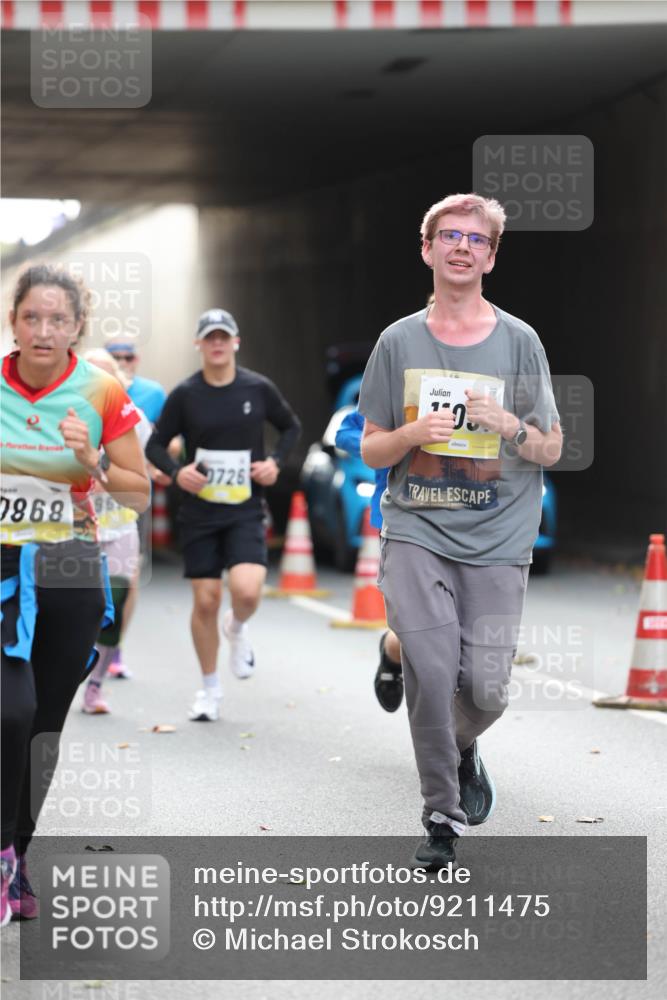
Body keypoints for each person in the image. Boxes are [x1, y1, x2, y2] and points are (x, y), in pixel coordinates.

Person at [358, 193, 562, 870]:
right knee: (433, 669)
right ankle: (441, 817)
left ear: (491, 257)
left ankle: (460, 744)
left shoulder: (519, 341)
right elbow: (371, 448)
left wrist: (509, 427)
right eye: (449, 236)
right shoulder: (397, 341)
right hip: (417, 529)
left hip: (499, 537)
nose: (461, 248)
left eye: (475, 240)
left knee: (484, 690)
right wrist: (414, 433)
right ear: (426, 249)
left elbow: (552, 449)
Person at [1, 265, 150, 923]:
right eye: (31, 316)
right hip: (3, 567)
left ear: (75, 327)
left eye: (57, 319)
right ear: (13, 322)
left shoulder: (101, 389)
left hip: (70, 569)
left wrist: (92, 461)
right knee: (10, 709)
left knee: (42, 726)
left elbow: (137, 490)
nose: (42, 330)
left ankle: (17, 857)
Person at [146, 308, 301, 722]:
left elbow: (291, 427)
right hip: (199, 513)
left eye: (223, 336)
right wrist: (179, 474)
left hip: (245, 509)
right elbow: (155, 446)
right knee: (206, 599)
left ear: (235, 342)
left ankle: (236, 627)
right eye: (208, 337)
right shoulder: (185, 394)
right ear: (199, 344)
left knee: (247, 592)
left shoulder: (257, 388)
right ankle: (209, 690)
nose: (216, 343)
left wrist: (274, 463)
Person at [79, 349, 153, 714]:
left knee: (115, 603)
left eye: (106, 376)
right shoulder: (64, 415)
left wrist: (108, 473)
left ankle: (95, 685)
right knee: (76, 605)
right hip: (75, 528)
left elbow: (145, 468)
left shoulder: (134, 419)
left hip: (119, 524)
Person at [104, 340, 167, 678]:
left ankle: (113, 648)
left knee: (126, 579)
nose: (122, 362)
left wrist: (162, 466)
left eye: (127, 358)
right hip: (83, 507)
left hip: (128, 501)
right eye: (116, 357)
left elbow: (165, 441)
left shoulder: (151, 396)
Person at [334, 410, 403, 711]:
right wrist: (388, 445)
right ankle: (392, 651)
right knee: (414, 628)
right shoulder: (390, 386)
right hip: (401, 522)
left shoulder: (472, 388)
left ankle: (459, 736)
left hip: (464, 523)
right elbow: (345, 434)